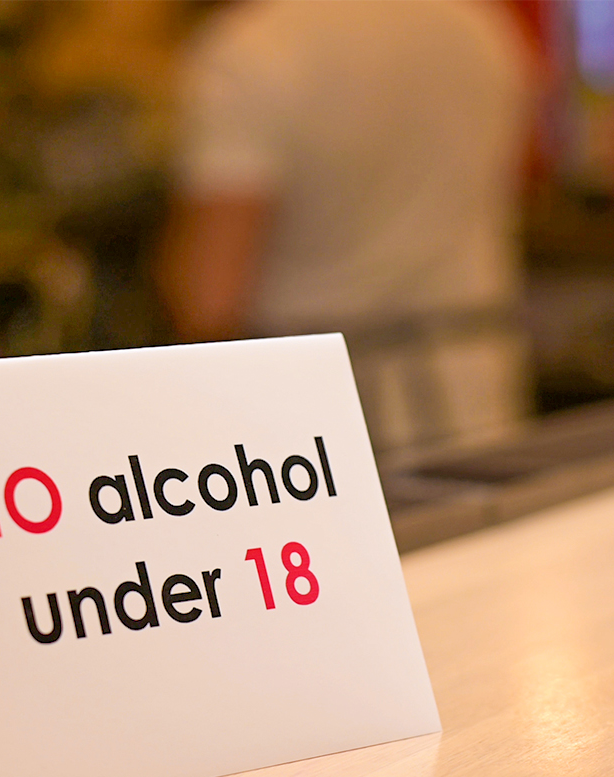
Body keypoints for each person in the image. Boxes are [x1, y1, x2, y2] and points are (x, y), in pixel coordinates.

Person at [158, 0, 533, 461]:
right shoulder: (481, 27)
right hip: (475, 400)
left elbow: (210, 300)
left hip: (314, 439)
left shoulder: (255, 48)